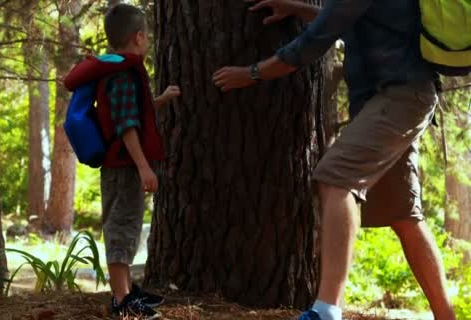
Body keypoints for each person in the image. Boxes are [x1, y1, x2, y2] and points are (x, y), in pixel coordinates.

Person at [212, 1, 456, 319]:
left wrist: (252, 73)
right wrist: (299, 9)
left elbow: (314, 42)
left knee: (336, 177)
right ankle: (446, 316)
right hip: (399, 98)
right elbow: (350, 21)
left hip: (398, 98)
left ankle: (327, 310)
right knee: (404, 216)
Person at [65, 4, 180, 319]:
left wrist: (163, 100)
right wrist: (144, 167)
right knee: (122, 227)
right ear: (139, 37)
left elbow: (133, 113)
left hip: (120, 164)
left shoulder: (118, 71)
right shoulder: (124, 74)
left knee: (125, 225)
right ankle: (122, 301)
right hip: (125, 165)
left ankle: (126, 292)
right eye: (147, 36)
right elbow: (127, 124)